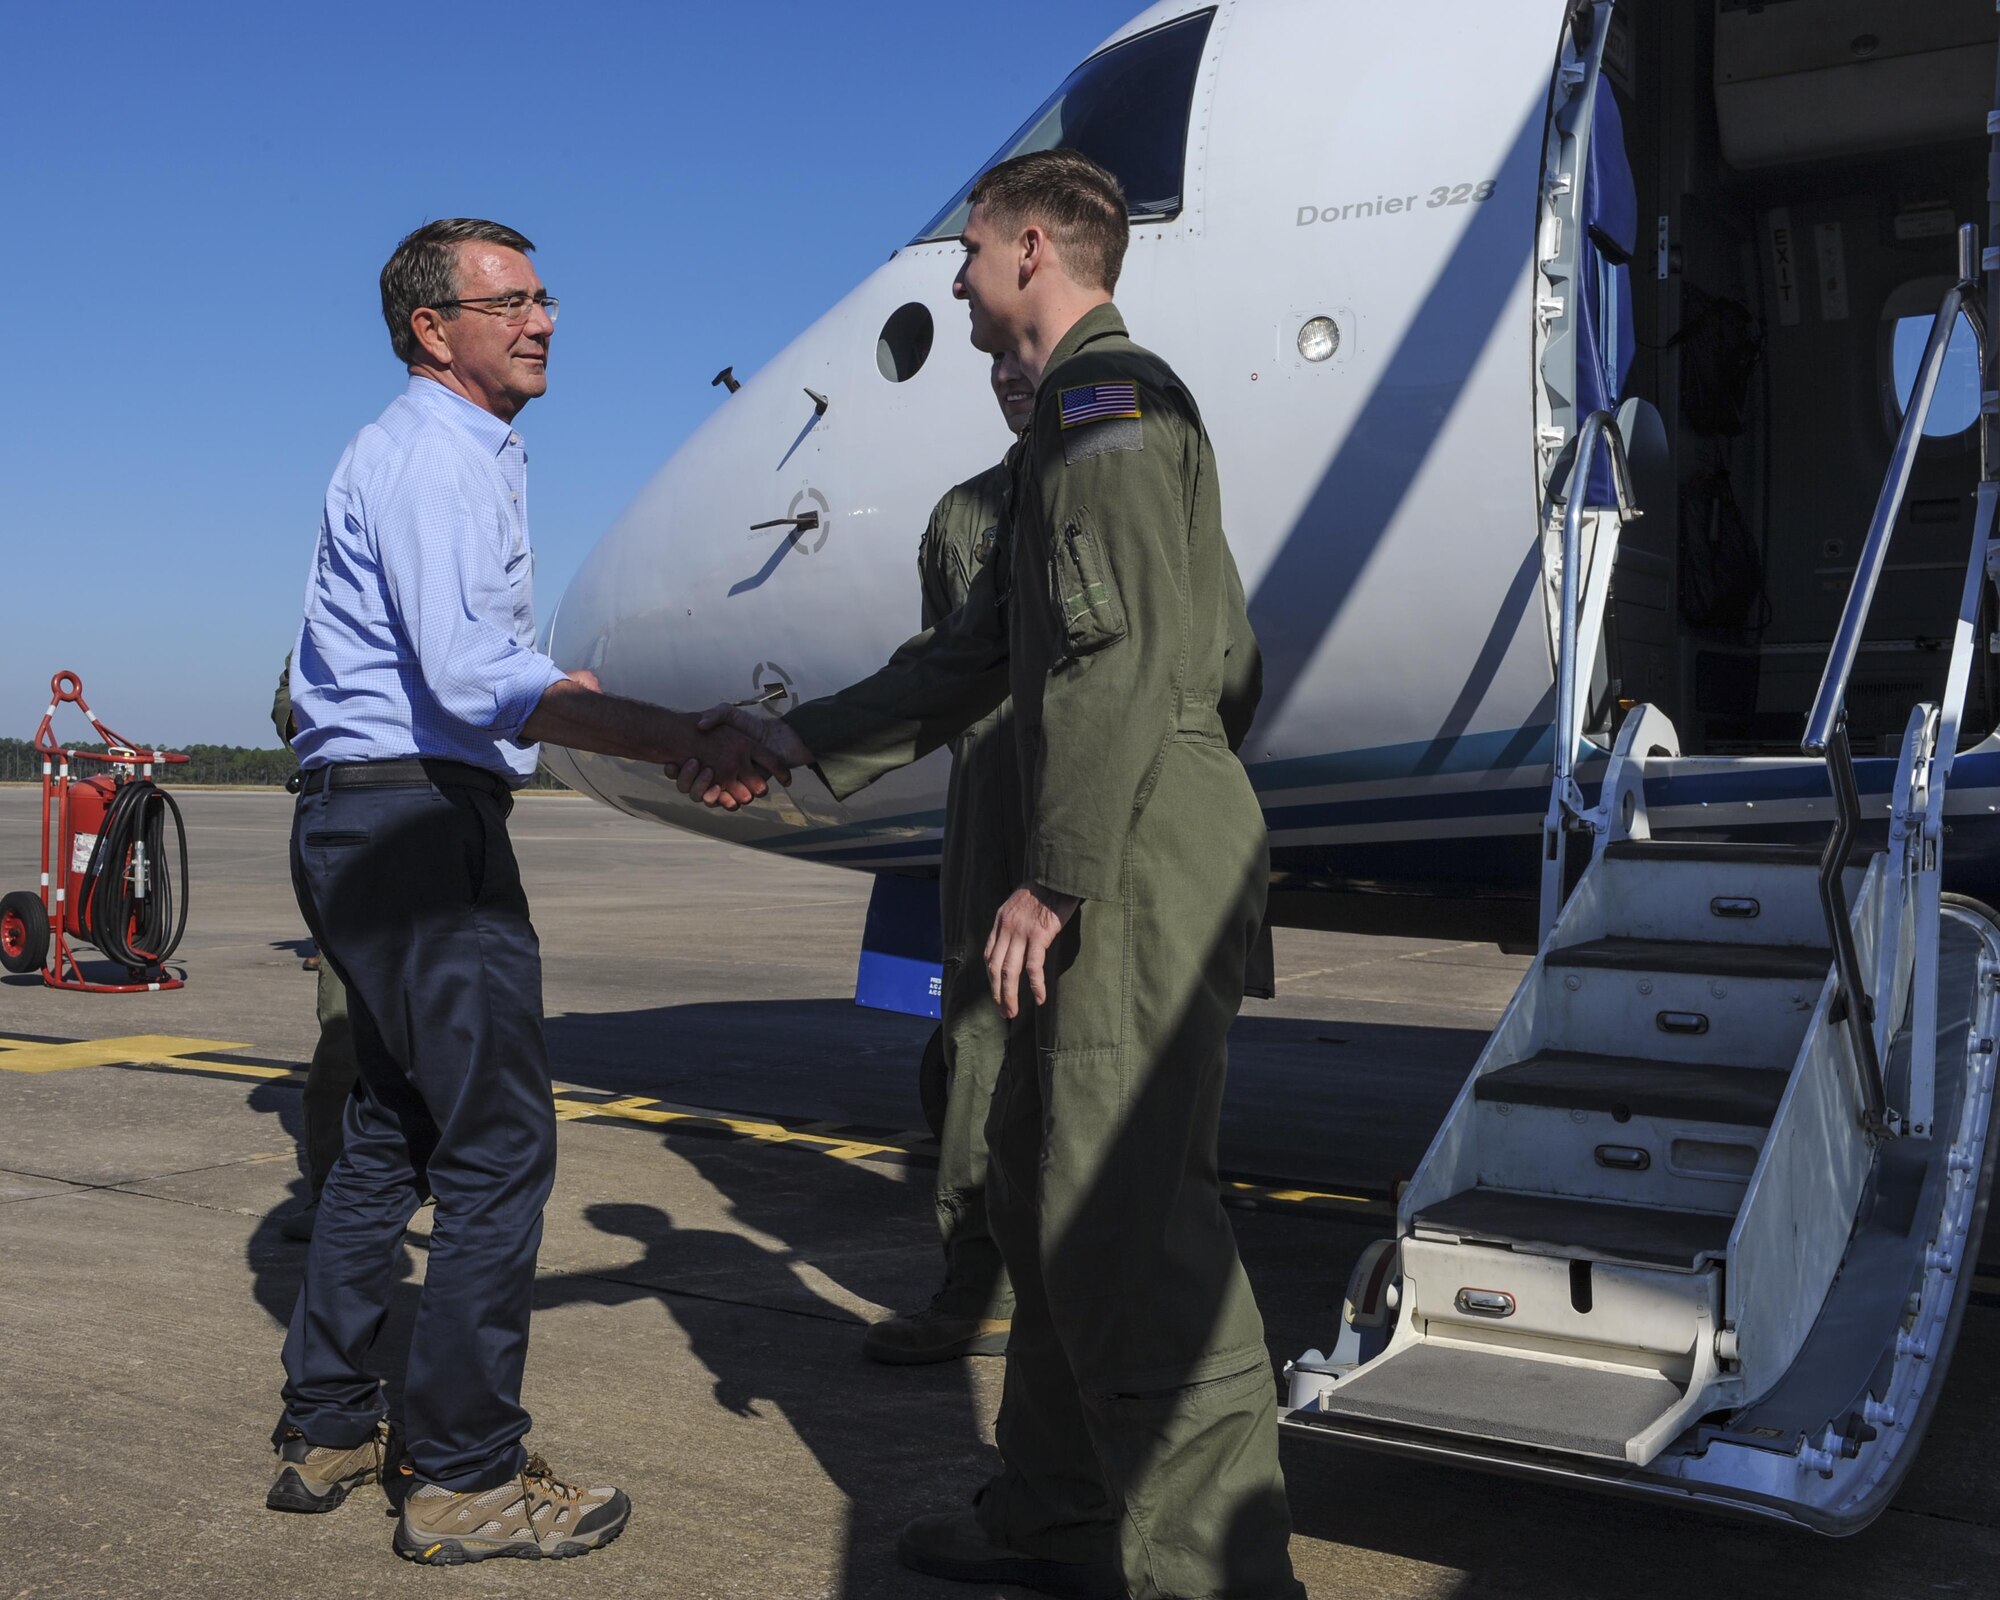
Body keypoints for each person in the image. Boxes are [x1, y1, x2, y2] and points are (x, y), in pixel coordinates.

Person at [711, 151, 1301, 1600]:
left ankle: (1221, 1577)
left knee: (1132, 1226)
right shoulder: (1056, 449)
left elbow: (1118, 661)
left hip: (1133, 851)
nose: (958, 279)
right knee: (1046, 1194)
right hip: (1119, 837)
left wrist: (1056, 875)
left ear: (1032, 249)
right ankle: (1054, 1512)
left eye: (968, 253)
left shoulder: (1111, 405)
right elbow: (970, 660)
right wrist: (789, 737)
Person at [269, 217, 786, 1566]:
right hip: (420, 833)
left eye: (545, 294)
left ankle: (328, 1422)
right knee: (500, 1148)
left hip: (361, 820)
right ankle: (461, 1476)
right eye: (511, 301)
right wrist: (673, 733)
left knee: (392, 1129)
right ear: (436, 330)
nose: (544, 318)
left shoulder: (425, 450)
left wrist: (584, 704)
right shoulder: (438, 457)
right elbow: (468, 676)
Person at [865, 354, 1034, 1366]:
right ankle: (981, 1284)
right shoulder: (965, 514)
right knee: (979, 1047)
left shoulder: (1130, 470)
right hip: (998, 799)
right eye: (999, 367)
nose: (1012, 375)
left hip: (1101, 794)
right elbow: (946, 664)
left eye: (1030, 358)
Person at [269, 654, 357, 1243]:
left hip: (437, 821)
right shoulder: (324, 620)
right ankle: (332, 1194)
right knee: (344, 1033)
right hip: (349, 818)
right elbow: (287, 703)